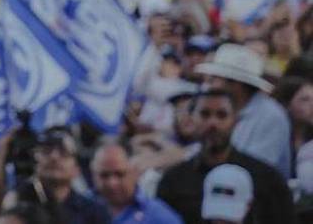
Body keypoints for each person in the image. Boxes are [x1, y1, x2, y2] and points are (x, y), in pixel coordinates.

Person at [155, 89, 294, 223]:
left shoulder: (266, 179)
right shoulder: (174, 180)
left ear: (235, 121)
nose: (213, 123)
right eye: (205, 114)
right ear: (192, 119)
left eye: (221, 115)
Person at [195, 43, 292, 174]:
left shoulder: (271, 116)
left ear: (236, 84)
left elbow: (257, 169)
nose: (210, 86)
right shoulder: (225, 110)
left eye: (215, 79)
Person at [88, 141, 180, 224]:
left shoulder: (159, 216)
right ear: (93, 174)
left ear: (134, 172)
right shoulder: (80, 208)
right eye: (104, 175)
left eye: (120, 174)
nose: (112, 183)